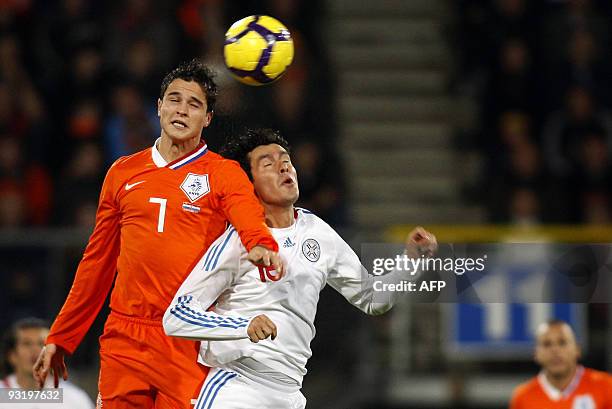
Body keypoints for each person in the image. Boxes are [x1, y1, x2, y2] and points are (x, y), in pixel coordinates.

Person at [33, 60, 284, 409]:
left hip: (188, 337)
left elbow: (247, 213)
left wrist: (259, 243)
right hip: (125, 337)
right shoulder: (123, 172)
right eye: (174, 99)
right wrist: (62, 336)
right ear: (159, 107)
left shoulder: (223, 173)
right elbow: (97, 263)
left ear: (207, 118)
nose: (182, 110)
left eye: (194, 104)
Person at [163, 128, 437, 408]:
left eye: (286, 160)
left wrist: (412, 261)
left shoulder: (317, 232)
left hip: (290, 394)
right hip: (237, 387)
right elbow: (177, 315)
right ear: (248, 184)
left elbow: (372, 299)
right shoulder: (237, 241)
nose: (283, 166)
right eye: (268, 163)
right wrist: (243, 325)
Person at [510, 320, 612, 408]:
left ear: (577, 350)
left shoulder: (606, 387)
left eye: (562, 342)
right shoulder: (523, 397)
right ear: (536, 354)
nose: (555, 350)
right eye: (547, 344)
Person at [0, 318, 94, 408]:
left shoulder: (75, 399)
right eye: (27, 343)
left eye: (42, 343)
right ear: (11, 355)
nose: (35, 350)